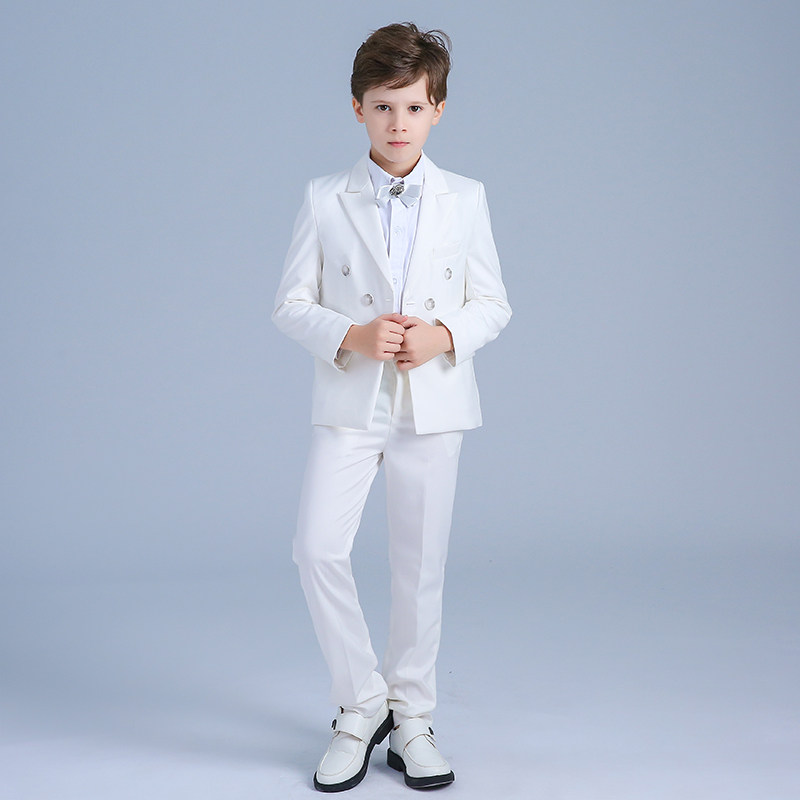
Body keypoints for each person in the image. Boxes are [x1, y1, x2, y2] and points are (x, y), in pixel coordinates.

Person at [272, 21, 511, 792]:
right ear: (357, 109)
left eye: (412, 107)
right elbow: (289, 304)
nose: (397, 123)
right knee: (316, 548)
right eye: (382, 106)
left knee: (418, 567)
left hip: (433, 406)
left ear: (437, 108)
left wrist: (443, 335)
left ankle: (412, 718)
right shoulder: (324, 197)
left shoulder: (466, 198)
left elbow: (493, 304)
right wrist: (352, 333)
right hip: (351, 400)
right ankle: (361, 702)